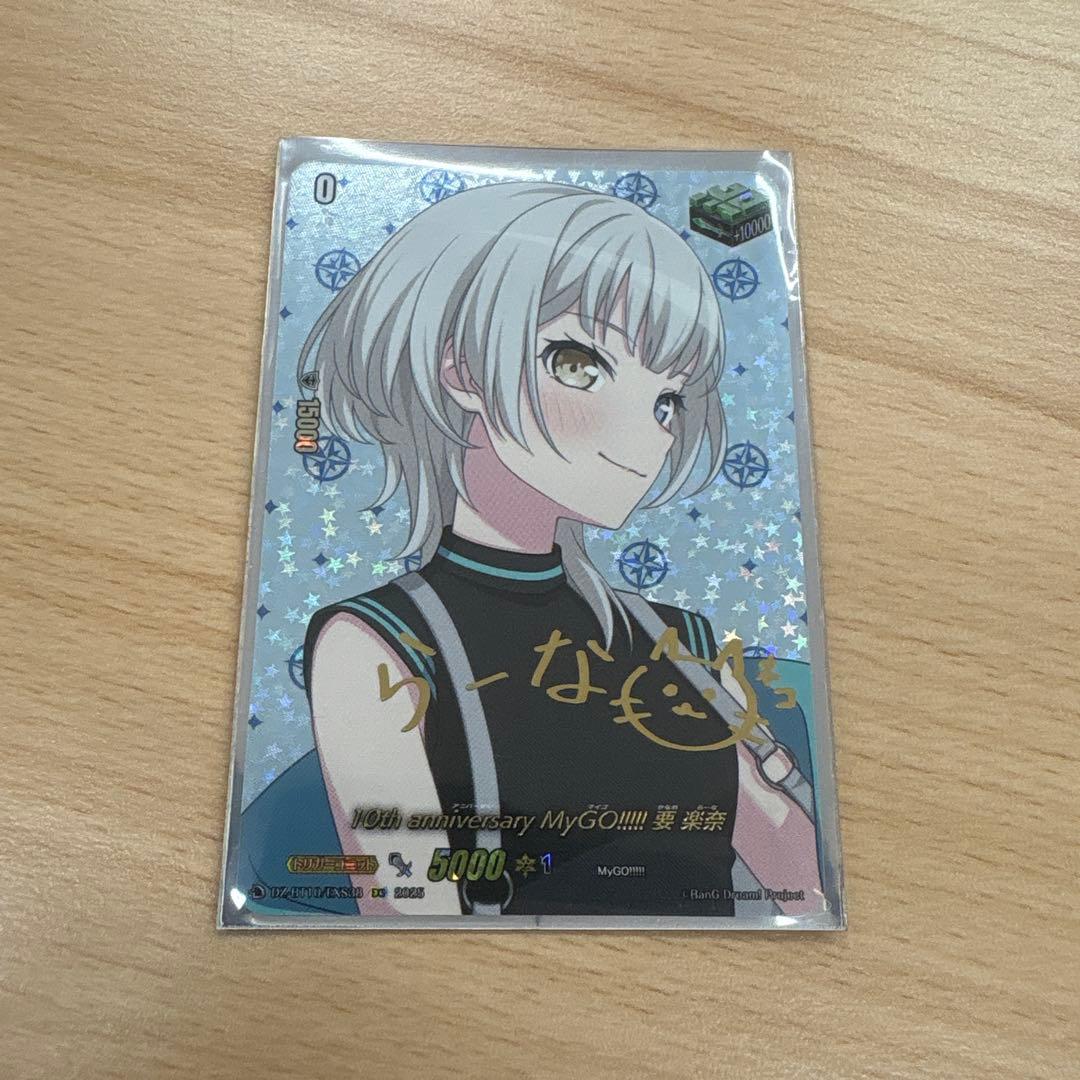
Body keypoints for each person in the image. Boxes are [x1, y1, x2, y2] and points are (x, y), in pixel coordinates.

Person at [299, 180, 823, 918]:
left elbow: (805, 893)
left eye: (666, 401)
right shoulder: (376, 643)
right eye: (580, 365)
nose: (646, 438)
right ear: (463, 371)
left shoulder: (681, 643)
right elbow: (411, 924)